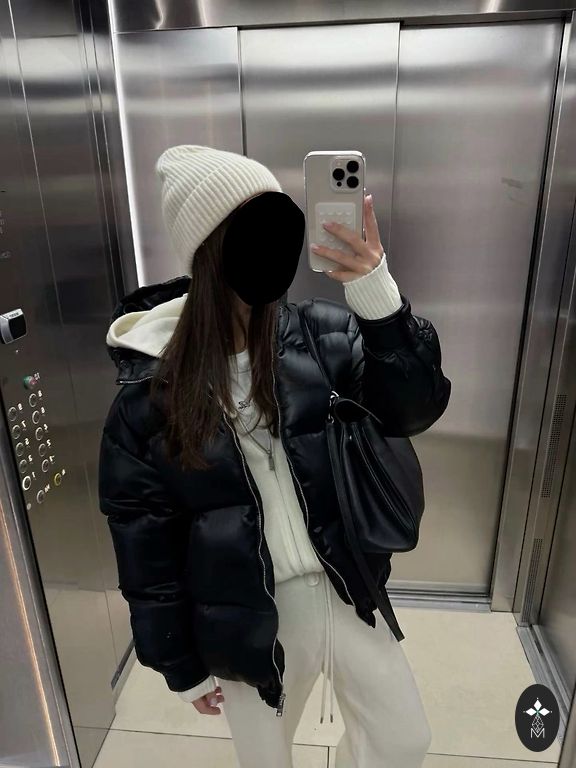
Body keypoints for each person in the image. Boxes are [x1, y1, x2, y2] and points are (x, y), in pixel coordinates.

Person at [98, 144, 451, 767]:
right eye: (251, 226)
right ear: (211, 252)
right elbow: (144, 543)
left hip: (341, 584)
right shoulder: (149, 396)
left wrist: (377, 297)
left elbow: (414, 409)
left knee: (403, 739)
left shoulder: (320, 336)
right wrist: (178, 663)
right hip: (246, 614)